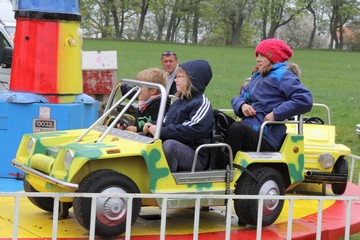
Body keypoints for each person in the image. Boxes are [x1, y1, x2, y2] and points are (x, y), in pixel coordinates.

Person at [218, 38, 313, 169]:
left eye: (262, 55)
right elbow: (239, 97)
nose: (257, 59)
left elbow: (304, 99)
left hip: (266, 136)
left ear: (272, 58)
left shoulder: (283, 76)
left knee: (238, 129)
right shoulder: (258, 76)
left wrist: (276, 114)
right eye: (257, 55)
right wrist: (242, 105)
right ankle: (204, 163)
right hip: (250, 128)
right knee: (216, 116)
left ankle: (221, 169)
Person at [143, 60, 214, 172]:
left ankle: (164, 181)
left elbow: (190, 130)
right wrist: (150, 126)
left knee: (170, 146)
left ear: (193, 80)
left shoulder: (201, 103)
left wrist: (160, 131)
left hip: (195, 155)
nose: (175, 80)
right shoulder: (178, 102)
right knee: (141, 137)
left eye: (179, 77)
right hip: (179, 145)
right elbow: (165, 122)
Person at [117, 68, 168, 132]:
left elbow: (156, 127)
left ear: (153, 90)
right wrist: (128, 127)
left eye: (140, 87)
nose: (136, 90)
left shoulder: (159, 105)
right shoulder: (143, 105)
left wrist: (137, 129)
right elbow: (138, 124)